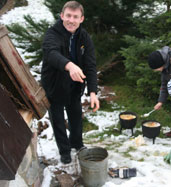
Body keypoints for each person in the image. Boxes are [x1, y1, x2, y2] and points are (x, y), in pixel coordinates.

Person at [41, 1, 99, 164]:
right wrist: (69, 65)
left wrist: (93, 92)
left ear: (81, 19)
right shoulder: (52, 34)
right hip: (54, 84)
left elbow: (90, 65)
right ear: (62, 16)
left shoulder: (84, 36)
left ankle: (77, 143)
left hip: (75, 85)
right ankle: (64, 151)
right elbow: (51, 53)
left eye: (75, 17)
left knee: (75, 115)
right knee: (58, 119)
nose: (71, 20)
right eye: (68, 16)